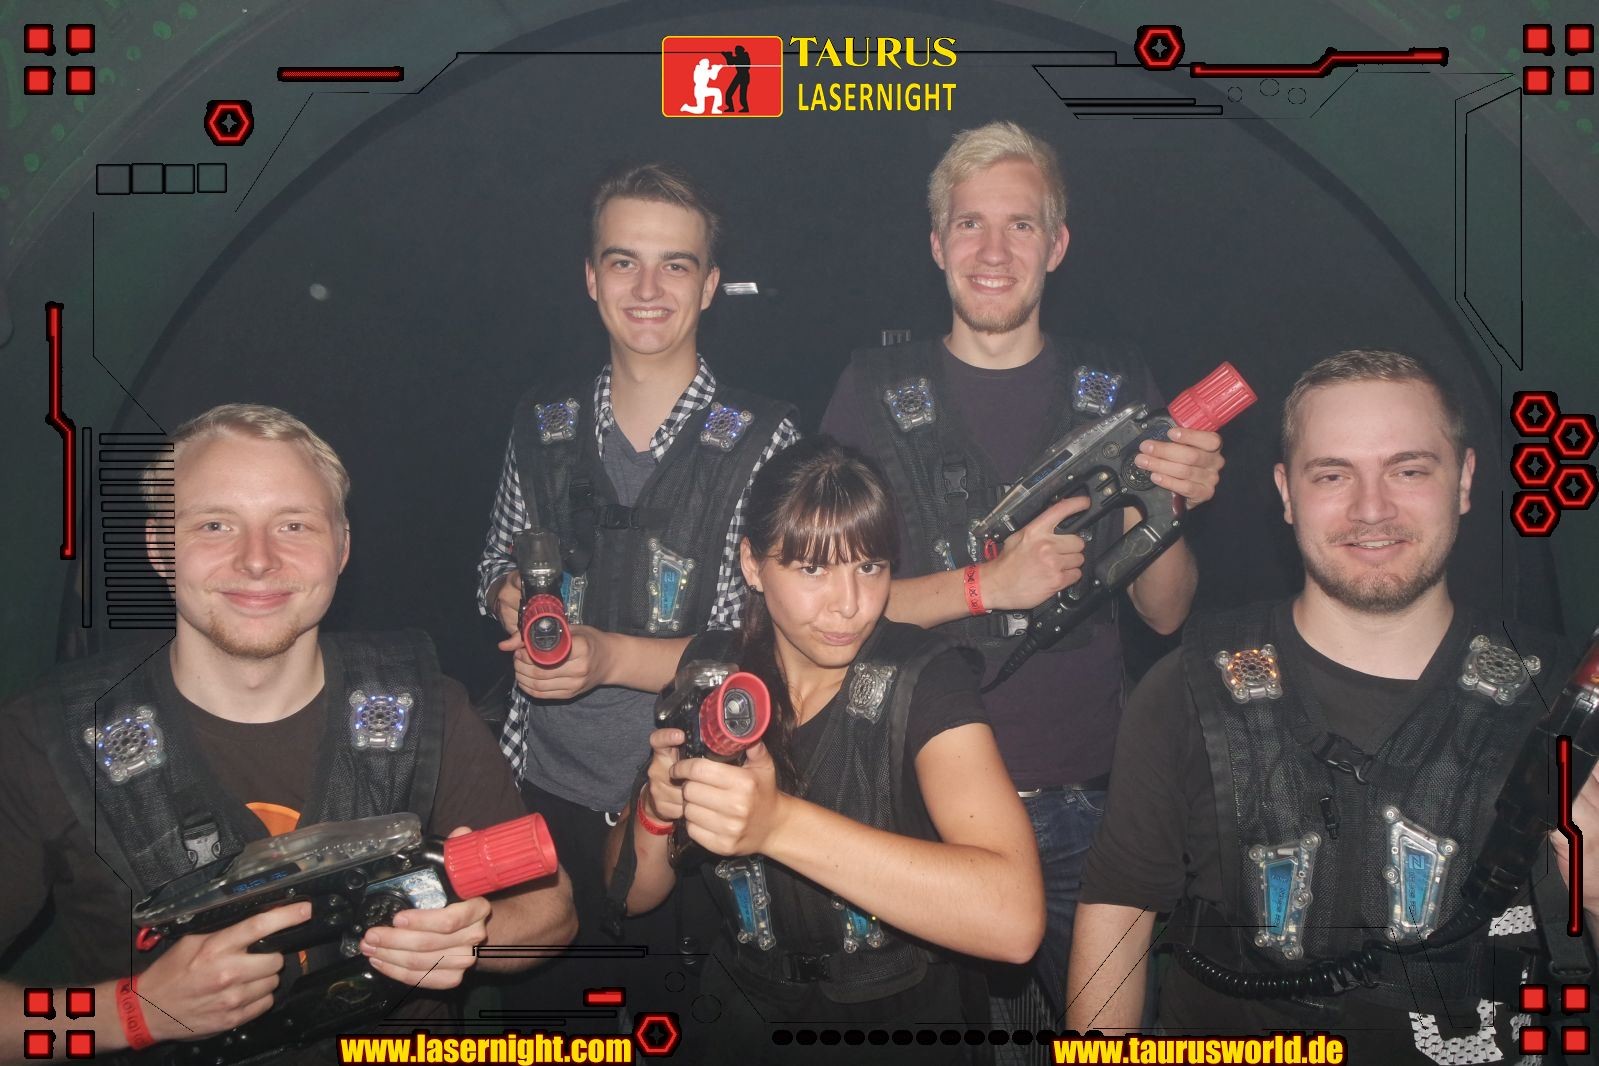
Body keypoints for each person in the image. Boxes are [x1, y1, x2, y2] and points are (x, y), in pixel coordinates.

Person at [0, 404, 576, 1061]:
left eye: (293, 524)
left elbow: (552, 909)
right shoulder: (48, 739)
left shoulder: (429, 708)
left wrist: (473, 933)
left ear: (342, 547)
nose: (257, 560)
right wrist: (131, 1012)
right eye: (215, 524)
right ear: (160, 548)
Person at [819, 121, 1225, 1036]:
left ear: (1057, 244)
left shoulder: (1113, 383)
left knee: (1104, 1042)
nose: (993, 251)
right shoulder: (870, 389)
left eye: (1020, 225)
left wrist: (1166, 506)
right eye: (969, 224)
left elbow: (1165, 613)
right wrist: (985, 587)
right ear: (936, 244)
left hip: (1087, 796)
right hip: (911, 797)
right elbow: (821, 611)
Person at [1068, 350, 1581, 1061]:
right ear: (1285, 492)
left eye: (1408, 470)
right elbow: (1114, 933)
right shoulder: (1185, 691)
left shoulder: (1566, 707)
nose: (1371, 508)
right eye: (1332, 475)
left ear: (1463, 481)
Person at [606, 436, 1044, 1063]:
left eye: (869, 566)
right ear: (752, 565)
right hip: (742, 1020)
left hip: (897, 1024)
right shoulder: (710, 675)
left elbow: (1014, 921)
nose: (850, 604)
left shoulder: (926, 679)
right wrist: (655, 810)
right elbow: (627, 896)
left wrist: (777, 824)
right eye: (812, 569)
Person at [476, 163, 798, 971]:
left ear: (709, 286)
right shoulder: (540, 422)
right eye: (623, 261)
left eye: (675, 265)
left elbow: (756, 646)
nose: (647, 288)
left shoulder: (764, 440)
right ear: (591, 278)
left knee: (679, 1016)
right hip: (535, 786)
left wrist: (606, 658)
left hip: (688, 803)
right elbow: (491, 563)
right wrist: (508, 596)